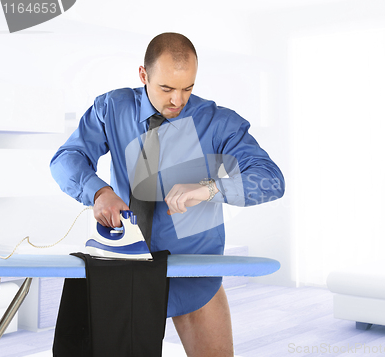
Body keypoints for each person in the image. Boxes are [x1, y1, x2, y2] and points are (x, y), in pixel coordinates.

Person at [50, 32, 284, 357]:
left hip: (193, 273)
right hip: (127, 273)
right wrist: (98, 192)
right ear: (143, 75)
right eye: (166, 88)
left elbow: (271, 180)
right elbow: (66, 159)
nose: (178, 100)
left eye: (187, 88)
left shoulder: (218, 122)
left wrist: (209, 188)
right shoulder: (111, 108)